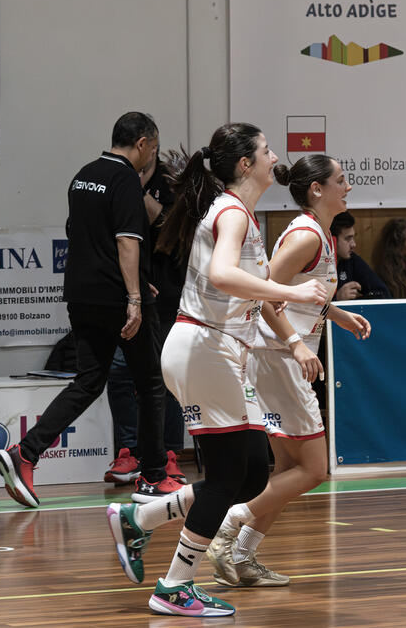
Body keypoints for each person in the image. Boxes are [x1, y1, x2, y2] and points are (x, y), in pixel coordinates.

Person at [105, 123, 328, 617]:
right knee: (231, 476)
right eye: (267, 150)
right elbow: (223, 275)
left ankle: (140, 518)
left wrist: (306, 312)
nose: (275, 157)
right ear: (246, 164)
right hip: (205, 348)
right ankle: (174, 586)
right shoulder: (231, 212)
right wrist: (291, 292)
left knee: (248, 476)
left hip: (216, 350)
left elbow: (244, 284)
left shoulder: (238, 212)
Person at [0, 111, 176, 508]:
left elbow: (83, 235)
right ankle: (154, 477)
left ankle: (25, 453)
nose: (152, 157)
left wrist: (135, 278)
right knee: (151, 384)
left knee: (89, 381)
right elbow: (126, 240)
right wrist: (134, 296)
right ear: (142, 143)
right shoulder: (125, 179)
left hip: (82, 296)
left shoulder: (83, 176)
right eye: (153, 148)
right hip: (118, 300)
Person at [206, 155, 371, 588]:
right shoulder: (305, 235)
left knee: (288, 471)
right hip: (278, 356)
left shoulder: (319, 233)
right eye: (341, 180)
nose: (348, 187)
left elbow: (296, 294)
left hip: (279, 355)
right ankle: (227, 526)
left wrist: (337, 315)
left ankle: (241, 558)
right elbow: (262, 296)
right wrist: (297, 343)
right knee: (315, 470)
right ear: (317, 189)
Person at [105, 152, 188, 486]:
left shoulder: (170, 181)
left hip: (168, 297)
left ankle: (168, 454)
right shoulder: (116, 182)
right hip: (129, 297)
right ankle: (129, 451)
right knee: (119, 373)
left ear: (148, 148)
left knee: (166, 376)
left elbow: (168, 226)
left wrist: (136, 190)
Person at [330, 212, 389, 300]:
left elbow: (383, 293)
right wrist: (337, 298)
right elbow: (312, 305)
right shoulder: (318, 263)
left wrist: (358, 301)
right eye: (348, 239)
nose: (353, 244)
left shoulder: (351, 259)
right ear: (331, 239)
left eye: (353, 238)